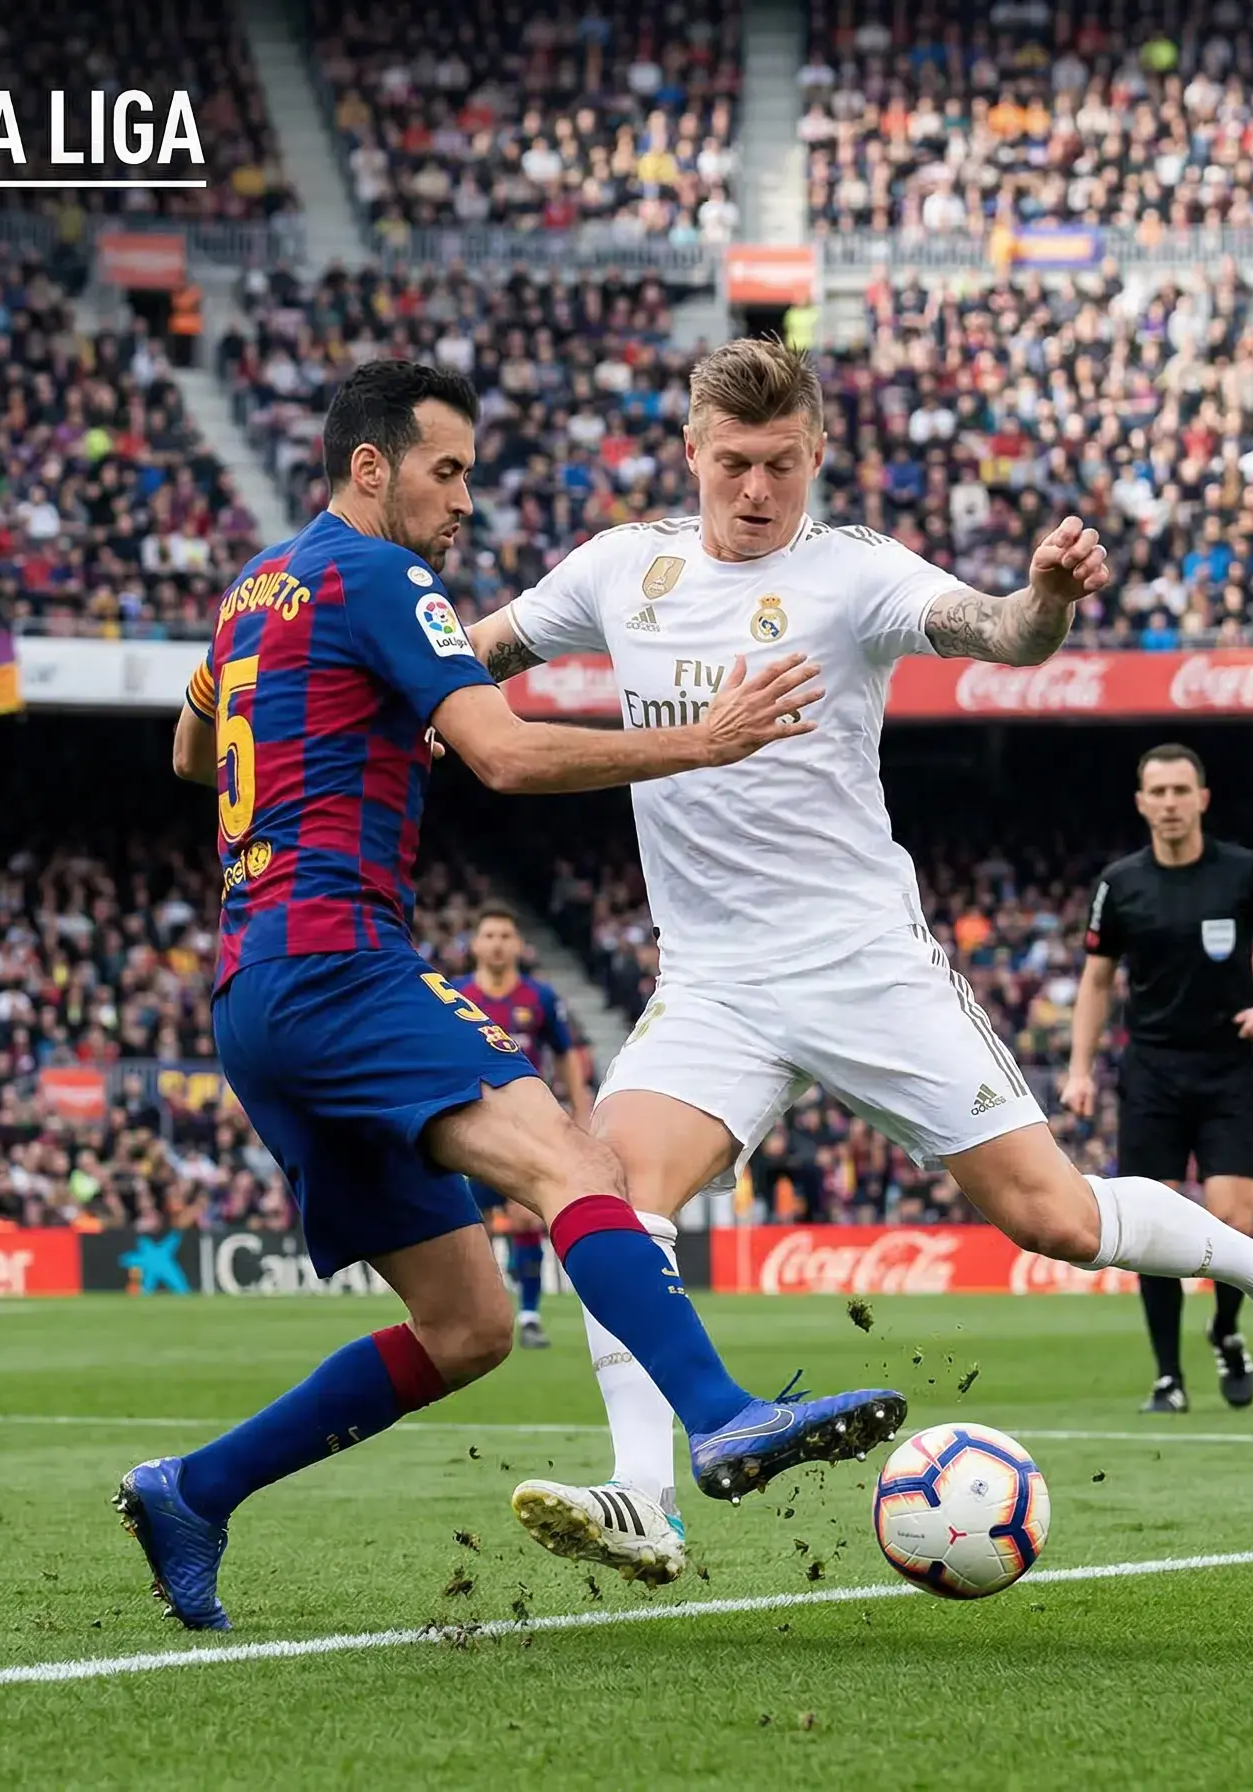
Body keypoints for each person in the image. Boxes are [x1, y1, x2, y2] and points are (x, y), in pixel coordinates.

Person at [467, 339, 1253, 1587]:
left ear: (815, 459)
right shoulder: (617, 570)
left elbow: (1002, 633)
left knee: (1054, 1219)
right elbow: (465, 659)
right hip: (713, 984)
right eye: (736, 463)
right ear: (690, 452)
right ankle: (645, 1496)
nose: (758, 490)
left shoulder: (852, 572)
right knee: (608, 1197)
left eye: (783, 466)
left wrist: (1050, 598)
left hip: (865, 967)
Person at [117, 358, 906, 1629]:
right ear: (371, 466)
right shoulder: (380, 573)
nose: (464, 499)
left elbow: (188, 747)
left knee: (470, 1323)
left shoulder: (255, 585)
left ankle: (192, 1491)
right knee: (576, 1164)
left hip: (253, 987)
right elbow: (503, 752)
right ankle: (721, 1417)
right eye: (447, 470)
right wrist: (705, 738)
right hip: (339, 959)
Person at [1061, 744, 1253, 1415]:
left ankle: (1227, 1330)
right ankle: (1168, 1378)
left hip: (1228, 1065)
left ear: (1203, 798)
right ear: (1141, 802)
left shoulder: (1243, 872)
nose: (1170, 803)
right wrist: (1080, 1069)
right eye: (1158, 792)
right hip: (1150, 1071)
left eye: (1181, 790)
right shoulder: (1119, 883)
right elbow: (1096, 981)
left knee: (1234, 1217)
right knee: (1152, 1225)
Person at [458, 905, 591, 1348]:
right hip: (468, 1128)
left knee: (525, 1218)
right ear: (476, 945)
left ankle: (529, 1314)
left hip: (527, 1127)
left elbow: (567, 1051)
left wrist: (581, 1106)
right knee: (459, 1223)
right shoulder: (453, 995)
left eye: (505, 935)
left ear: (518, 945)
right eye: (489, 935)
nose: (497, 943)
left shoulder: (539, 997)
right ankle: (466, 1310)